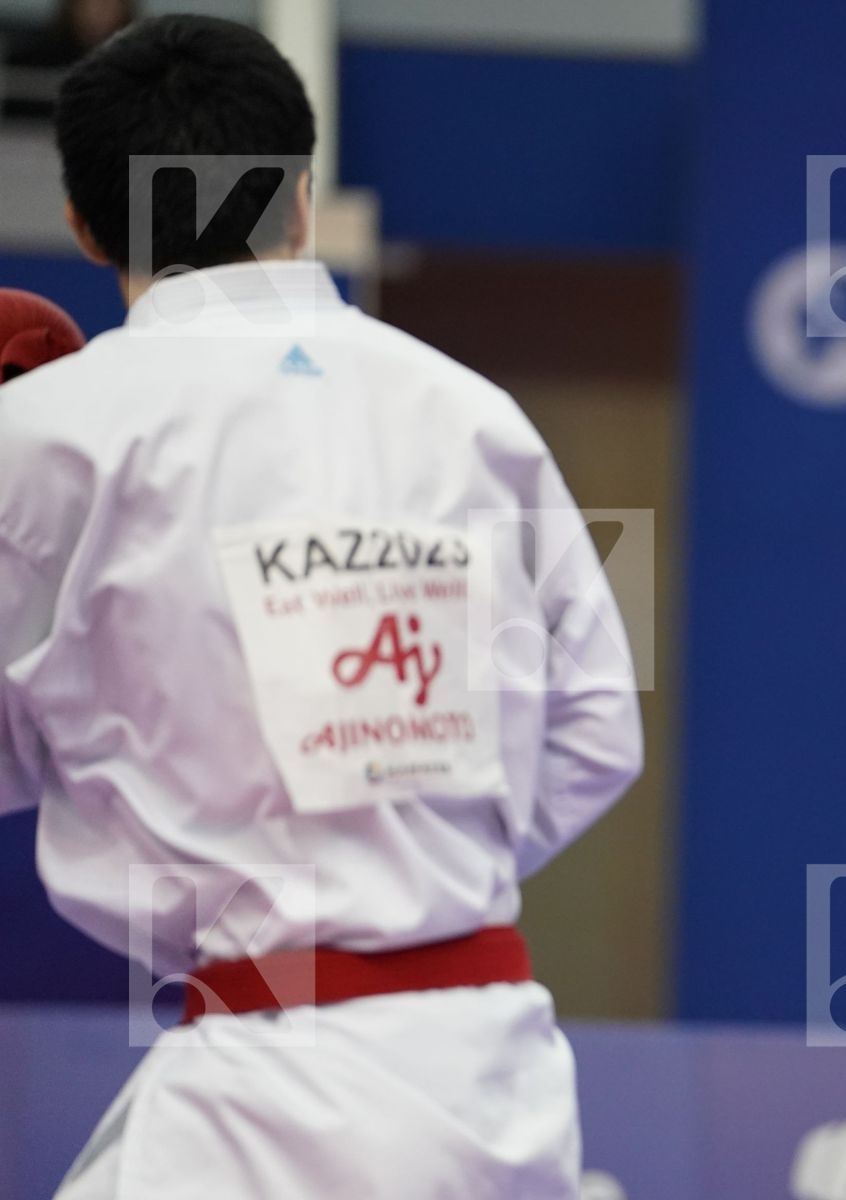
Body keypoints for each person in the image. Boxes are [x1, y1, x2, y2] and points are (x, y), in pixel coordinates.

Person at [0, 15, 642, 1198]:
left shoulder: (47, 435)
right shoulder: (475, 412)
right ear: (300, 197)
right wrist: (415, 865)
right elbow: (602, 726)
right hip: (493, 1068)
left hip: (259, 1088)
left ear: (86, 225)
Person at [1, 0, 136, 121]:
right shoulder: (30, 62)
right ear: (71, 7)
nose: (95, 12)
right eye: (86, 3)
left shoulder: (138, 67)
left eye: (105, 4)